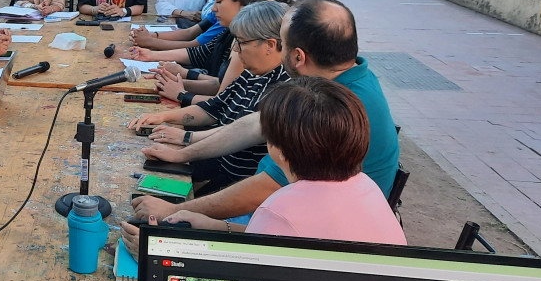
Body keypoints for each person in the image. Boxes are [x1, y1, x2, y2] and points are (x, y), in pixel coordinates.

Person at [131, 0, 401, 228]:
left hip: (298, 226)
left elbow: (267, 189)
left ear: (297, 57)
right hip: (290, 212)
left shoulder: (325, 108)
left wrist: (174, 211)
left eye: (282, 43)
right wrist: (184, 149)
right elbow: (253, 124)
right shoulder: (348, 77)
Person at [153, 77, 407, 245]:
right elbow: (285, 242)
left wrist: (155, 248)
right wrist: (215, 226)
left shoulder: (280, 208)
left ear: (278, 151)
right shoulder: (365, 185)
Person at [131, 1, 290, 195]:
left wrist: (185, 140)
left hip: (235, 183)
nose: (237, 50)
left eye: (242, 43)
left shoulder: (283, 88)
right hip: (218, 166)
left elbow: (236, 133)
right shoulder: (254, 72)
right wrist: (164, 117)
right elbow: (215, 107)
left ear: (270, 45)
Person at [129, 0, 269, 101]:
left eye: (219, 1)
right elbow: (200, 53)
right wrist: (152, 54)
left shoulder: (247, 45)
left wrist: (181, 92)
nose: (213, 8)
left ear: (242, 2)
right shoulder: (230, 32)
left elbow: (220, 101)